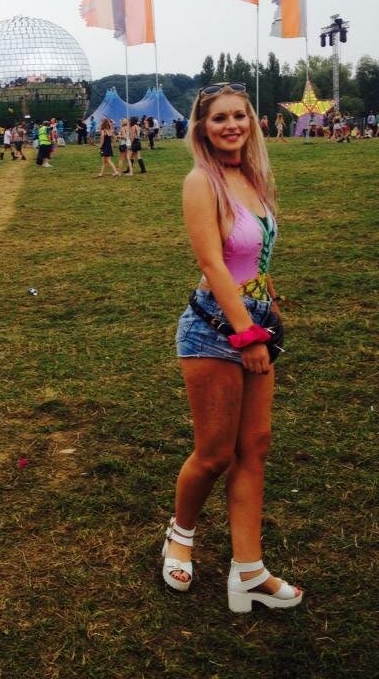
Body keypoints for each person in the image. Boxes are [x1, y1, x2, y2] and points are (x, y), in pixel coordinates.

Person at [164, 80, 303, 612]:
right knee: (215, 454)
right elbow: (212, 263)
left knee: (255, 446)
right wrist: (246, 335)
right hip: (214, 328)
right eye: (219, 118)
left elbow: (254, 258)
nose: (232, 126)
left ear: (253, 121)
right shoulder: (201, 181)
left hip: (256, 321)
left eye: (239, 116)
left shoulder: (253, 177)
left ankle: (249, 571)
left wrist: (269, 308)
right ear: (202, 127)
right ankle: (180, 536)